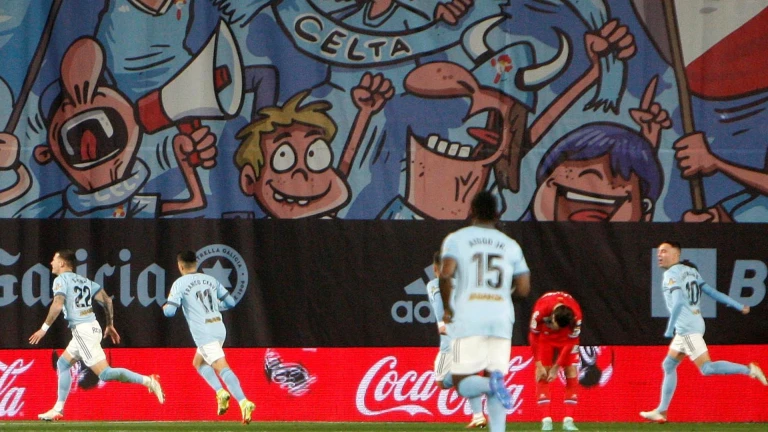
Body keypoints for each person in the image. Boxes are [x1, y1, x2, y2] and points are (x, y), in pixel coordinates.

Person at [29, 249, 164, 421]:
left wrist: (44, 328)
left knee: (105, 374)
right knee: (62, 364)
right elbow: (107, 300)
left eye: (54, 259)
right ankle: (58, 409)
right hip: (90, 328)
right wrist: (109, 324)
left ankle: (149, 381)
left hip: (83, 331)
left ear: (62, 263)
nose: (51, 263)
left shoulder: (61, 280)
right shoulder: (84, 281)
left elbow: (57, 303)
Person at [640, 241, 767, 423]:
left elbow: (678, 302)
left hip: (687, 329)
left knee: (707, 368)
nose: (659, 255)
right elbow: (713, 292)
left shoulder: (671, 274)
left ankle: (748, 369)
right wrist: (738, 305)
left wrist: (669, 328)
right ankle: (661, 411)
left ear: (676, 254)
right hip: (694, 323)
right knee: (668, 365)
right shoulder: (691, 272)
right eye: (658, 252)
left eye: (664, 251)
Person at [439, 191, 531, 432]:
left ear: (472, 210)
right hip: (501, 320)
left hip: (469, 318)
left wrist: (448, 308)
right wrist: (502, 297)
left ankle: (490, 385)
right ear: (497, 213)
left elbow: (446, 274)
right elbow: (524, 289)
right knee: (495, 375)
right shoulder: (511, 245)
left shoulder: (457, 239)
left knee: (461, 383)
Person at [163, 251, 256, 424]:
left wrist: (166, 306)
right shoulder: (211, 280)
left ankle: (244, 402)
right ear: (196, 264)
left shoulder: (179, 284)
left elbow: (170, 312)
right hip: (219, 328)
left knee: (222, 367)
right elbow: (231, 303)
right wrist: (214, 305)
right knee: (199, 363)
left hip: (204, 332)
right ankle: (221, 392)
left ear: (180, 266)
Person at [426, 251, 487, 428]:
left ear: (435, 268)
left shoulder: (434, 284)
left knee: (442, 381)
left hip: (453, 341)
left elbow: (438, 302)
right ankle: (478, 415)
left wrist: (441, 323)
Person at [529, 291, 583, 431]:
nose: (555, 328)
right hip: (546, 338)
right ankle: (546, 420)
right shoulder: (540, 310)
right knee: (542, 374)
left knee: (571, 372)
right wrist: (538, 363)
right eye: (554, 325)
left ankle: (568, 421)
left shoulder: (576, 317)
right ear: (552, 316)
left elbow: (571, 342)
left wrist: (557, 366)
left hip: (566, 339)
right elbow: (533, 337)